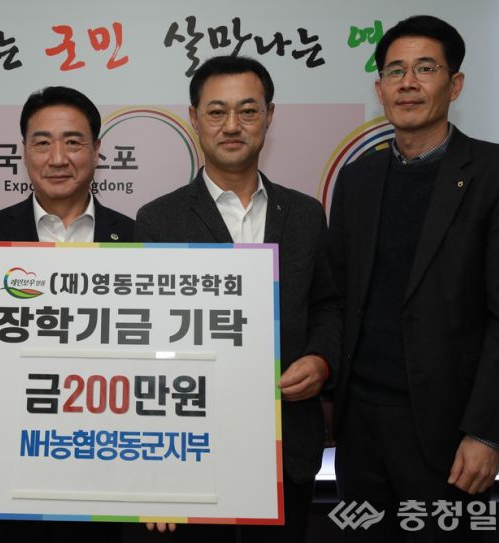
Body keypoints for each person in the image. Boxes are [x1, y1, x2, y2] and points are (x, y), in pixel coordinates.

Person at [328, 15, 499, 541]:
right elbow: (339, 295)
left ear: (455, 83)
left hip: (448, 433)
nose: (408, 83)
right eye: (394, 71)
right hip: (360, 429)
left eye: (425, 69)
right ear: (379, 89)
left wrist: (488, 433)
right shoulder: (357, 179)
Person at [134, 55, 341, 543]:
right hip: (192, 448)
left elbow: (328, 304)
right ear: (194, 118)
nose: (232, 126)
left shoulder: (306, 214)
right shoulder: (158, 221)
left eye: (248, 111)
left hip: (287, 446)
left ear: (270, 116)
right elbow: (144, 342)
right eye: (217, 111)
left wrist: (321, 359)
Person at [0, 86, 134, 542]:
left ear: (97, 150)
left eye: (73, 142)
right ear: (24, 150)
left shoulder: (135, 235)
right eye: (43, 142)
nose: (58, 158)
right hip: (8, 453)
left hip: (108, 456)